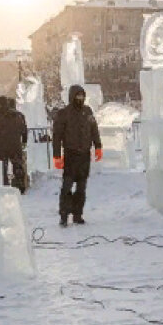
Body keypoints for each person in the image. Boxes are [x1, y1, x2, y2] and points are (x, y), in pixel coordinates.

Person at [52, 84, 102, 226]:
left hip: (84, 156)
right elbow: (57, 136)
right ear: (72, 96)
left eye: (82, 95)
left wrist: (98, 146)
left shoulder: (87, 111)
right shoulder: (64, 113)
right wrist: (57, 155)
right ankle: (64, 215)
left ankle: (77, 214)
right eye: (77, 95)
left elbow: (94, 129)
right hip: (70, 155)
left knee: (81, 187)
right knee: (67, 187)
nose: (80, 98)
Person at [0, 96, 29, 193]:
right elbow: (24, 130)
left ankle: (4, 188)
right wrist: (24, 141)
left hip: (1, 146)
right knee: (18, 166)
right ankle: (20, 187)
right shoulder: (19, 115)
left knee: (3, 167)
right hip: (15, 145)